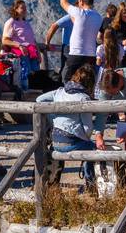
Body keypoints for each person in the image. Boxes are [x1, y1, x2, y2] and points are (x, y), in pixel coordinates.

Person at [37, 63, 98, 192]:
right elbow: (88, 130)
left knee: (57, 150)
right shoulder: (84, 98)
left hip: (56, 141)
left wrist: (53, 118)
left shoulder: (58, 92)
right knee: (92, 148)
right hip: (72, 142)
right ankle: (91, 185)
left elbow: (39, 100)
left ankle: (53, 185)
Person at [60, 0, 103, 80]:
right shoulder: (98, 17)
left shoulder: (79, 12)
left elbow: (63, 2)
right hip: (91, 56)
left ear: (81, 1)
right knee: (86, 81)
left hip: (76, 54)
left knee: (66, 78)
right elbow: (79, 23)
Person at [2, 0, 40, 90]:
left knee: (35, 72)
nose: (25, 9)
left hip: (32, 52)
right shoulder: (11, 22)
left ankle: (33, 93)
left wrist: (38, 52)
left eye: (25, 7)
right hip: (21, 52)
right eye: (22, 8)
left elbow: (32, 40)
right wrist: (19, 45)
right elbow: (5, 40)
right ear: (15, 9)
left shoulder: (26, 23)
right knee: (24, 73)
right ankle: (24, 92)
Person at [45, 13, 73, 82]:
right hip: (68, 47)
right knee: (66, 69)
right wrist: (47, 42)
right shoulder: (70, 17)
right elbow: (54, 26)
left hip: (76, 47)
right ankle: (63, 85)